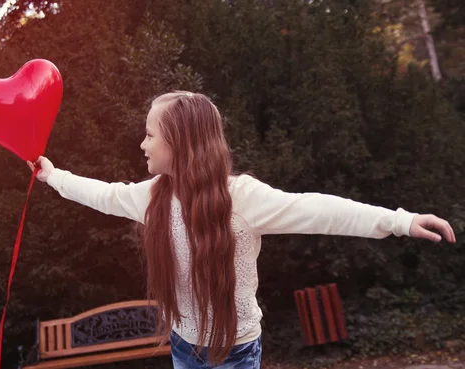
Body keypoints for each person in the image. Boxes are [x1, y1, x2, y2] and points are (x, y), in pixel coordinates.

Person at [27, 91, 456, 369]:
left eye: (149, 135)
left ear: (179, 143)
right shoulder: (153, 197)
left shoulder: (242, 200)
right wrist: (54, 176)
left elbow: (320, 210)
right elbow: (103, 194)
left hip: (237, 351)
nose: (142, 145)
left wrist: (401, 221)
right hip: (184, 347)